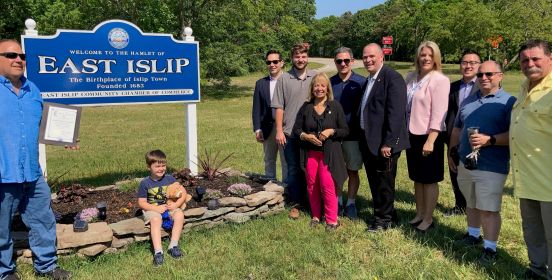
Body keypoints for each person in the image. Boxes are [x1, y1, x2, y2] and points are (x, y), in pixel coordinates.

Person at [0, 39, 72, 280]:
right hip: (3, 173)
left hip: (32, 173)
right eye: (10, 55)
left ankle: (47, 266)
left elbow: (42, 125)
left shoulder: (33, 90)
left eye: (21, 56)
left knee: (43, 220)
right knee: (1, 230)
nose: (18, 59)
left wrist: (64, 137)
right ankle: (4, 271)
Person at [449, 61, 515, 264]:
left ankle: (490, 249)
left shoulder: (509, 102)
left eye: (489, 74)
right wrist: (452, 153)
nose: (484, 78)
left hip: (492, 165)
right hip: (466, 163)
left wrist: (490, 139)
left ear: (500, 76)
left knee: (489, 208)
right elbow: (457, 129)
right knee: (471, 202)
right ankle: (473, 235)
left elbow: (515, 135)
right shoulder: (468, 101)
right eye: (480, 75)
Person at [511, 39, 552, 279]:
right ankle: (537, 269)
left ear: (550, 59)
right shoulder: (525, 87)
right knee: (532, 230)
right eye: (525, 60)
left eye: (536, 58)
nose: (530, 64)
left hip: (549, 179)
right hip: (527, 177)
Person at [359, 43, 409, 232]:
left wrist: (388, 142)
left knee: (384, 182)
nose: (368, 60)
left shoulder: (392, 78)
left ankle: (383, 220)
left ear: (381, 57)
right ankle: (388, 213)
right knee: (375, 180)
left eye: (372, 56)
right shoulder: (370, 79)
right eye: (365, 57)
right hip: (369, 141)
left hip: (385, 144)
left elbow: (396, 114)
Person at [293, 73, 348, 230]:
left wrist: (331, 131)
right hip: (311, 154)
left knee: (327, 185)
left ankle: (332, 220)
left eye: (323, 85)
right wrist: (306, 136)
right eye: (316, 85)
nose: (319, 88)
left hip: (329, 154)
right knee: (311, 184)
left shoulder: (335, 106)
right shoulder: (306, 107)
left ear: (327, 88)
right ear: (312, 88)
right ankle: (316, 216)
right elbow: (296, 129)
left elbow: (345, 130)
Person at [405, 41, 450, 233]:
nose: (426, 59)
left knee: (429, 179)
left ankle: (429, 218)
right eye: (423, 55)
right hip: (411, 134)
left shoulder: (439, 80)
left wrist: (431, 140)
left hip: (430, 136)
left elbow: (439, 114)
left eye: (430, 56)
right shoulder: (411, 78)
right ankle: (419, 213)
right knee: (417, 177)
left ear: (436, 59)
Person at [272, 43, 316, 218]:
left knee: (310, 169)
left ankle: (312, 203)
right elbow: (279, 107)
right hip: (290, 133)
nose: (300, 59)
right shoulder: (284, 78)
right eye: (297, 56)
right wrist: (279, 131)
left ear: (307, 57)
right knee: (293, 169)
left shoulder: (315, 76)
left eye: (303, 56)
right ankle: (296, 204)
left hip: (311, 133)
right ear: (292, 58)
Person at [444, 50, 481, 217]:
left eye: (473, 63)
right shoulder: (452, 88)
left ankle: (476, 207)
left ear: (479, 65)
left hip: (477, 137)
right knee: (455, 170)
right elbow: (449, 114)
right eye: (465, 62)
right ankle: (460, 205)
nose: (468, 66)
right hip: (455, 136)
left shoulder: (484, 85)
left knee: (475, 173)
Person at [329, 47, 365, 219]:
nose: (342, 64)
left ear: (352, 61)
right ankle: (337, 201)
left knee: (352, 171)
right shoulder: (330, 83)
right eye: (339, 61)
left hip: (353, 135)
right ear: (335, 62)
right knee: (335, 171)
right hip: (334, 136)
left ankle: (351, 203)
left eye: (346, 60)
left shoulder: (361, 82)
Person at [137, 150, 186, 267]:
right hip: (152, 210)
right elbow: (141, 203)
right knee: (156, 219)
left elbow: (183, 192)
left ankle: (173, 245)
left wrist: (176, 205)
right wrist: (155, 209)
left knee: (179, 214)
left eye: (163, 165)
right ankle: (158, 252)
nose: (161, 169)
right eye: (157, 166)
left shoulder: (170, 179)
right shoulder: (145, 183)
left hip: (169, 207)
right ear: (149, 167)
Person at [252, 50, 287, 181]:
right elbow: (256, 108)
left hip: (285, 128)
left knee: (286, 161)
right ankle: (270, 188)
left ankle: (286, 189)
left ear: (281, 63)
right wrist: (257, 128)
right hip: (267, 128)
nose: (272, 64)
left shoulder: (289, 80)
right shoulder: (260, 83)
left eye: (275, 61)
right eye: (269, 62)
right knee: (269, 159)